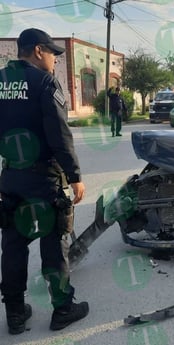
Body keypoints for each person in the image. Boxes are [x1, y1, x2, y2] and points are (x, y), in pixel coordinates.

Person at [0, 28, 89, 334]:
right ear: (38, 51)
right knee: (54, 244)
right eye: (52, 53)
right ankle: (62, 309)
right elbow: (59, 136)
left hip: (11, 177)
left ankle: (14, 313)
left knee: (13, 245)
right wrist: (75, 176)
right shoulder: (44, 82)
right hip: (44, 178)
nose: (54, 59)